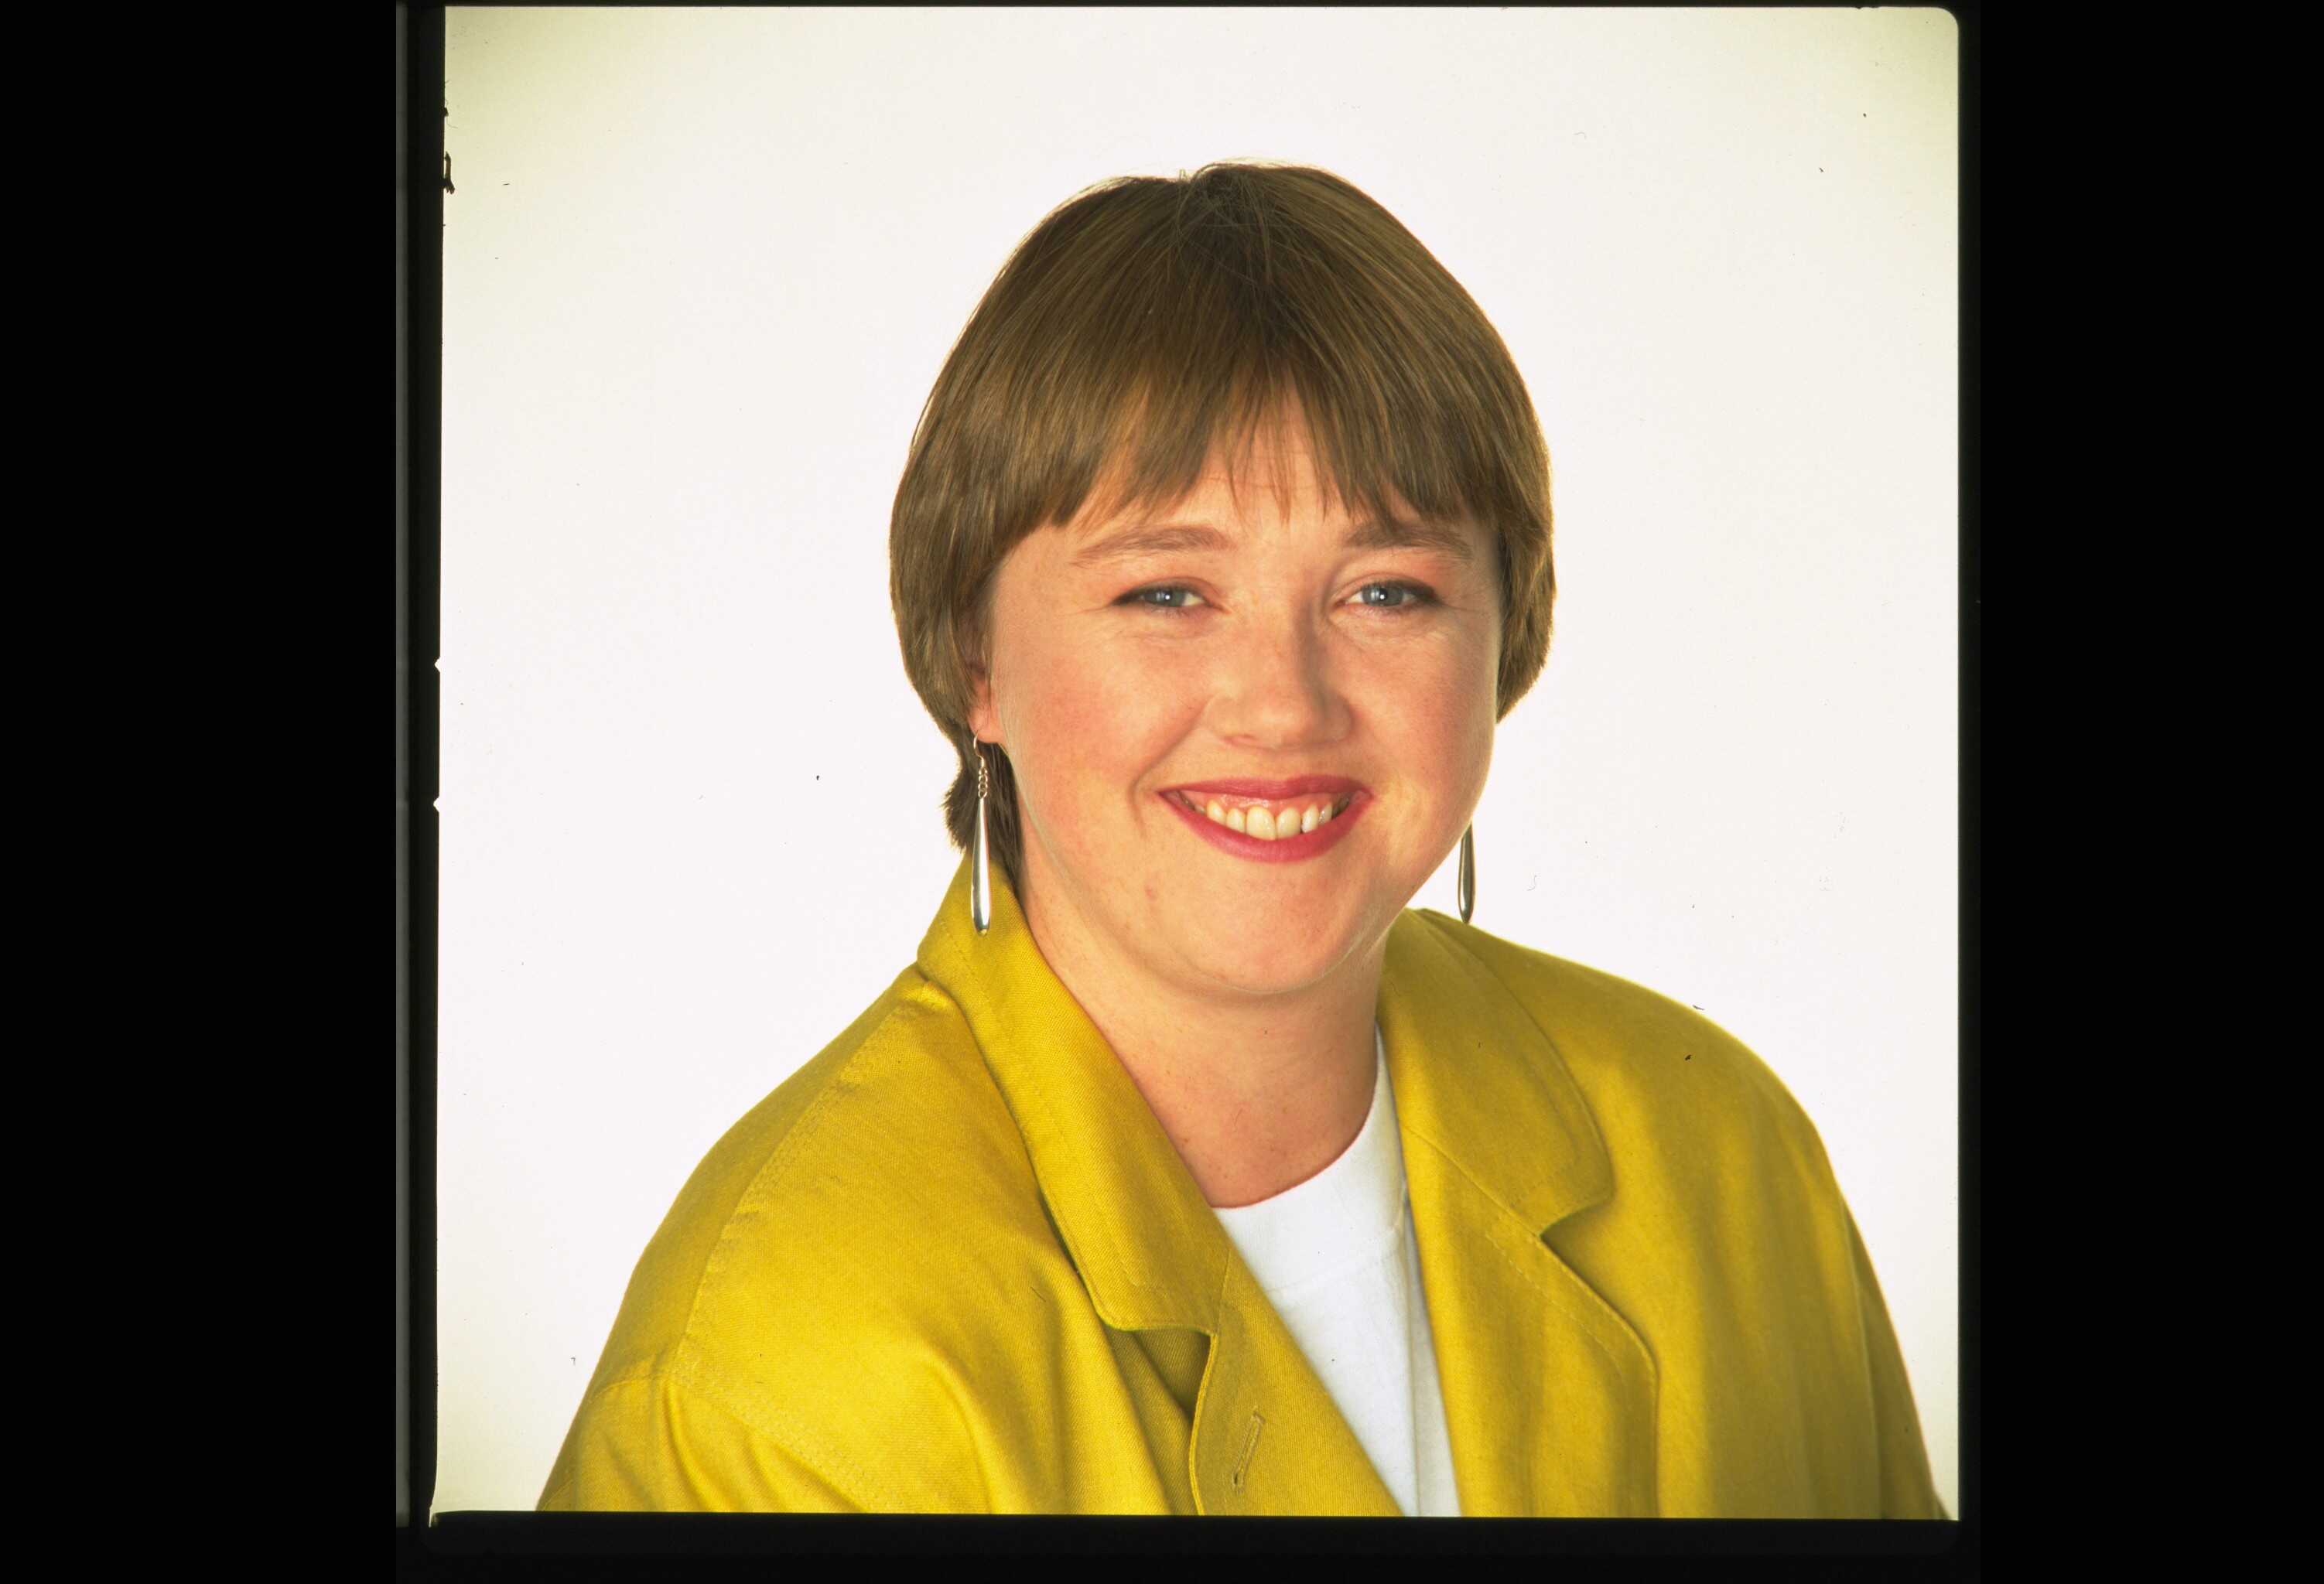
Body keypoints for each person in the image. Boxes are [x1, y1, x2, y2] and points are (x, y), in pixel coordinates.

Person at [536, 161, 1945, 1517]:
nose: (1283, 705)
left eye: (1387, 591)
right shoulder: (775, 1368)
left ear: (1503, 636)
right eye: (1167, 592)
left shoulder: (1717, 1150)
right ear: (976, 660)